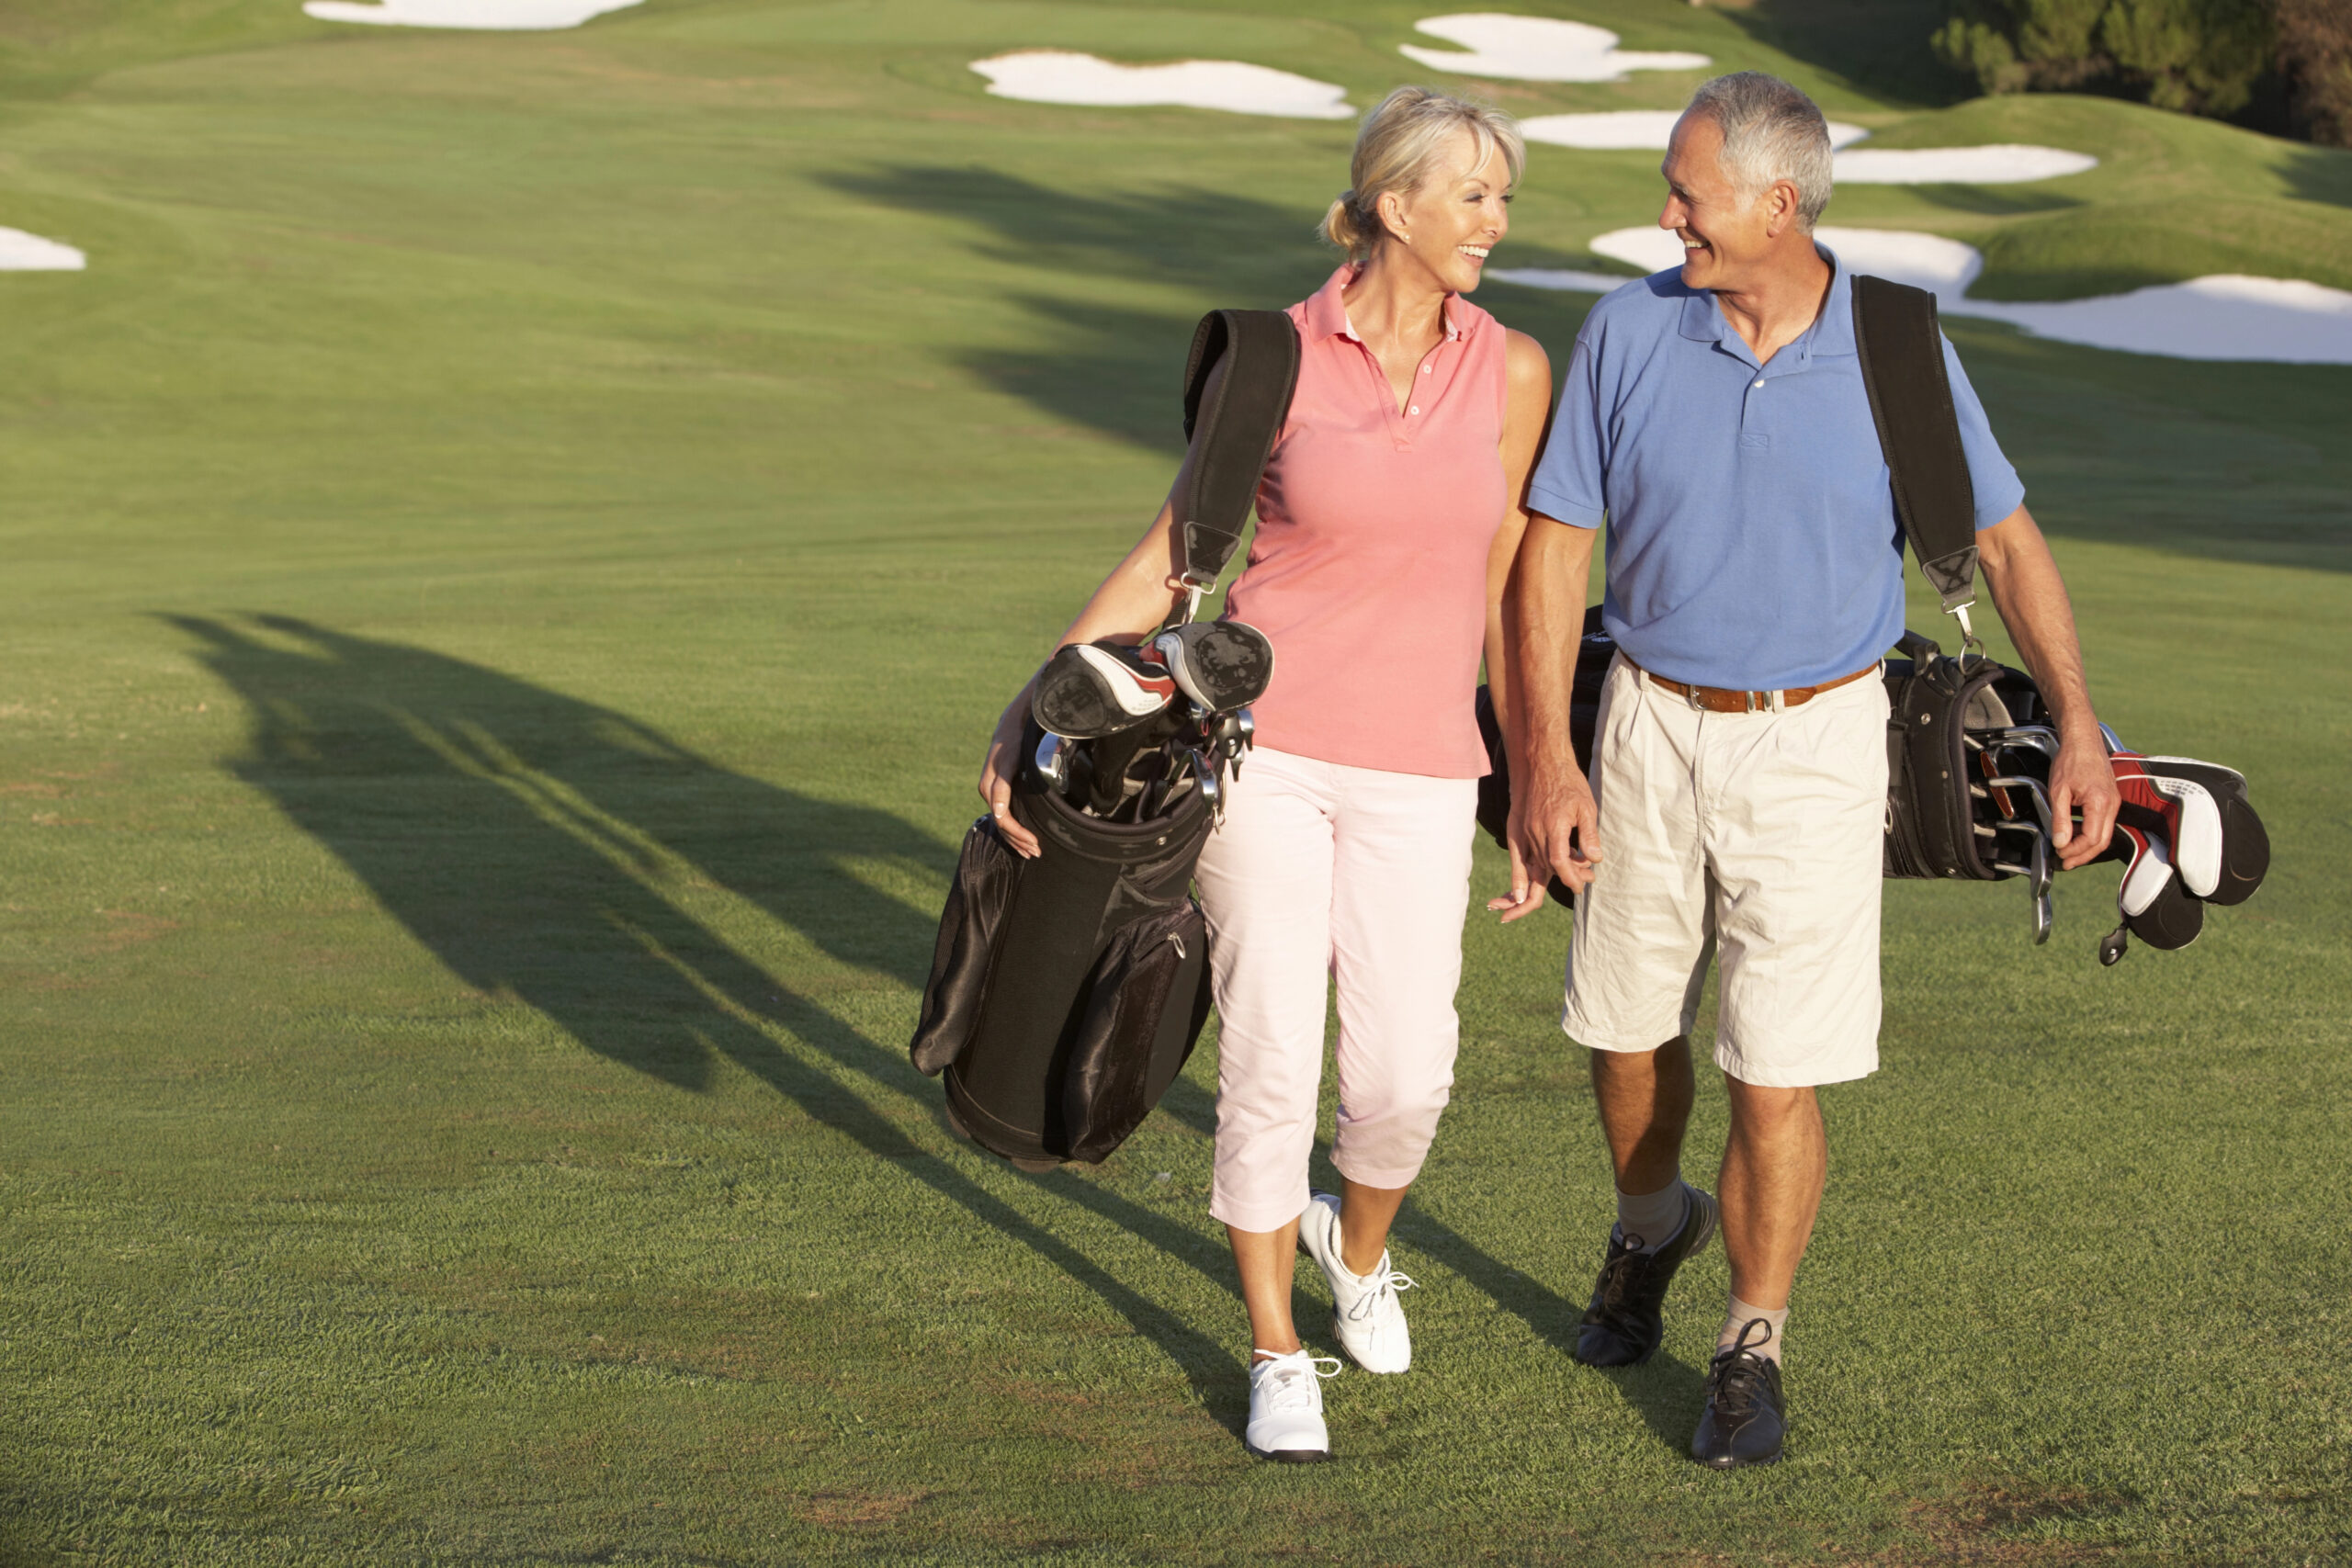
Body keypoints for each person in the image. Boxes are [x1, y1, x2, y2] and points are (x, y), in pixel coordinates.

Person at [1498, 71, 2120, 1469]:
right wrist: (1546, 755)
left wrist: (2079, 722)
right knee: (1622, 1030)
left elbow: (2008, 545)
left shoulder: (1897, 345)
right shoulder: (1627, 329)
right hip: (1647, 722)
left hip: (1823, 740)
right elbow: (1553, 552)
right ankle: (1652, 1226)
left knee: (1778, 1069)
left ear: (1780, 203)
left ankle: (1749, 1343)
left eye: (1689, 195)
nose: (1668, 218)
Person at [978, 86, 1552, 1463]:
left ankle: (1356, 1250)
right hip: (1266, 753)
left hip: (1426, 764)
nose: (1496, 222)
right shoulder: (1276, 357)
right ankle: (1276, 1348)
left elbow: (1507, 583)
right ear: (1393, 205)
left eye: (1503, 198)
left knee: (1408, 1072)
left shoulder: (1516, 369)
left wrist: (1531, 771)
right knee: (1274, 1047)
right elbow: (1178, 551)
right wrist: (1033, 704)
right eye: (1473, 195)